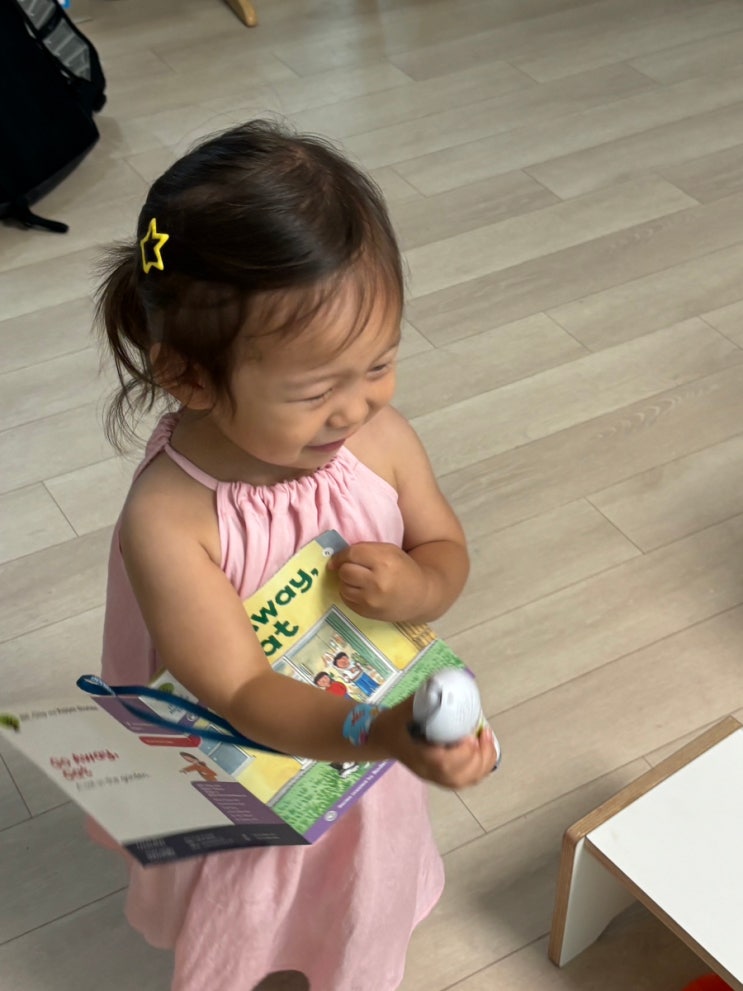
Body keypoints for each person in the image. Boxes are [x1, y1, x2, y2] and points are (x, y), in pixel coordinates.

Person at [94, 119, 497, 991]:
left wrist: (418, 583)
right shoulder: (171, 520)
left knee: (352, 881)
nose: (356, 408)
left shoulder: (377, 439)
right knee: (250, 897)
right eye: (316, 390)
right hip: (259, 751)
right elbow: (242, 694)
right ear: (189, 377)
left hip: (369, 731)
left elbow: (446, 548)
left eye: (379, 364)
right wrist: (377, 732)